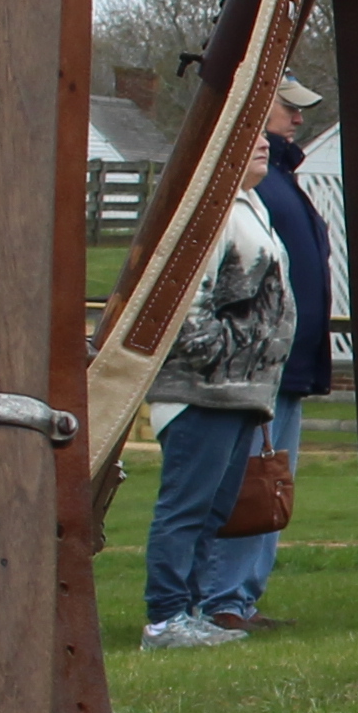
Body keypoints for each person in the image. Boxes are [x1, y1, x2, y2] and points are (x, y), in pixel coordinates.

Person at [191, 83, 335, 633]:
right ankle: (219, 599)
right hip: (254, 364)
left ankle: (238, 598)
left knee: (269, 478)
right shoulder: (248, 184)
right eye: (287, 105)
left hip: (284, 364)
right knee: (246, 479)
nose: (298, 117)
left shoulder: (277, 181)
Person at [135, 188, 292, 650]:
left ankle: (190, 611)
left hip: (239, 390)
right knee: (187, 507)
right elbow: (187, 296)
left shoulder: (253, 206)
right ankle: (164, 618)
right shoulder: (212, 208)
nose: (263, 142)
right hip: (202, 390)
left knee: (213, 509)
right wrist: (219, 353)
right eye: (253, 135)